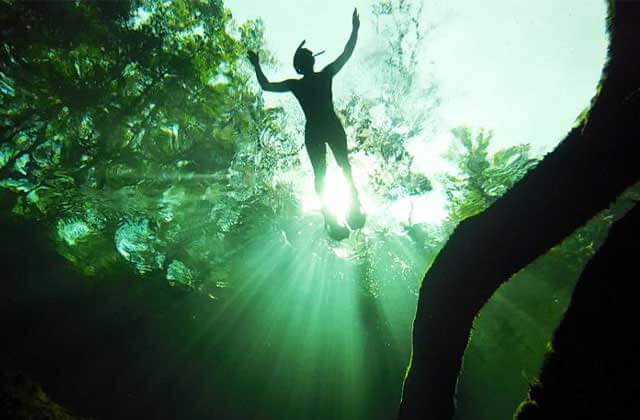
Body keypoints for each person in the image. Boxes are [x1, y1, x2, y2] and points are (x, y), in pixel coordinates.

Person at [247, 8, 366, 240]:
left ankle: (332, 217)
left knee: (323, 174)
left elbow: (266, 85)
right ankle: (351, 207)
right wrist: (355, 29)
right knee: (344, 167)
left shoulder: (297, 84)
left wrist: (257, 65)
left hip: (314, 129)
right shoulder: (324, 75)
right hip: (330, 124)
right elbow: (347, 52)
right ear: (310, 61)